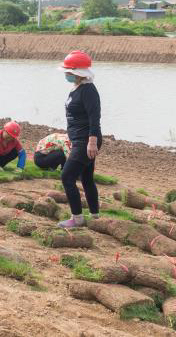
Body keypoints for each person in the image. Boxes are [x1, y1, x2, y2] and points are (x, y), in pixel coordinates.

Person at [57, 50, 102, 228]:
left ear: (77, 72)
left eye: (68, 72)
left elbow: (94, 117)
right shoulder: (77, 87)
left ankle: (77, 218)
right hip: (79, 140)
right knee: (86, 178)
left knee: (67, 176)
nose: (66, 74)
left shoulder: (88, 90)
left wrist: (91, 142)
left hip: (87, 141)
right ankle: (95, 215)